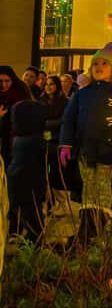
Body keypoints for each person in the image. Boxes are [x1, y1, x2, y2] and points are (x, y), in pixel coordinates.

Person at [59, 48, 112, 243]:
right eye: (96, 64)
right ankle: (87, 230)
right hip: (86, 150)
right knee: (88, 188)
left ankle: (98, 229)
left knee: (103, 190)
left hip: (107, 151)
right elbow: (69, 119)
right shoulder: (82, 94)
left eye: (104, 64)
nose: (99, 67)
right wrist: (66, 144)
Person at [7, 98, 48, 240]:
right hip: (29, 186)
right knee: (33, 221)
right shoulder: (34, 141)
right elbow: (45, 162)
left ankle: (20, 237)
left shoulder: (19, 138)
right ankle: (33, 247)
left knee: (25, 216)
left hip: (18, 183)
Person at [41, 75, 68, 195]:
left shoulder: (64, 101)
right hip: (43, 138)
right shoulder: (41, 100)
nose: (48, 87)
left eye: (51, 84)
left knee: (55, 170)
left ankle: (57, 198)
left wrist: (47, 123)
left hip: (57, 139)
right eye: (46, 84)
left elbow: (64, 120)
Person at [0, 65, 32, 163]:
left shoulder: (21, 92)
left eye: (7, 81)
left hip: (17, 138)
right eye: (0, 81)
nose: (3, 85)